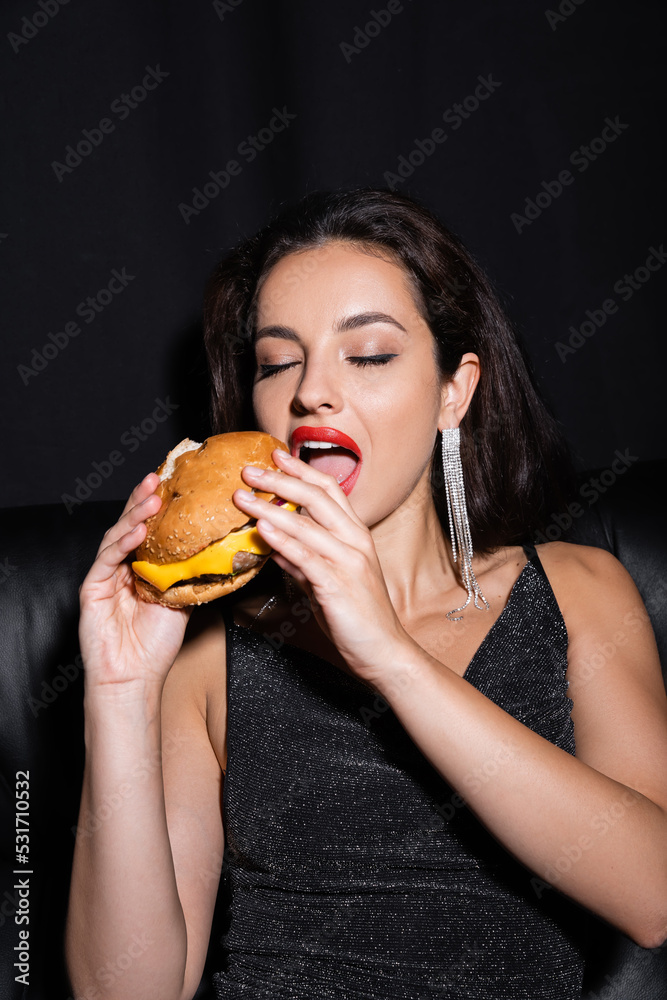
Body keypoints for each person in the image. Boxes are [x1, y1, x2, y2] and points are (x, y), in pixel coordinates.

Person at [66, 188, 667, 1000]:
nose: (311, 391)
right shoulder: (206, 655)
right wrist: (118, 692)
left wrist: (388, 653)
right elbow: (126, 993)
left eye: (370, 354)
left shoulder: (577, 589)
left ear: (455, 390)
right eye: (278, 361)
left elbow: (654, 897)